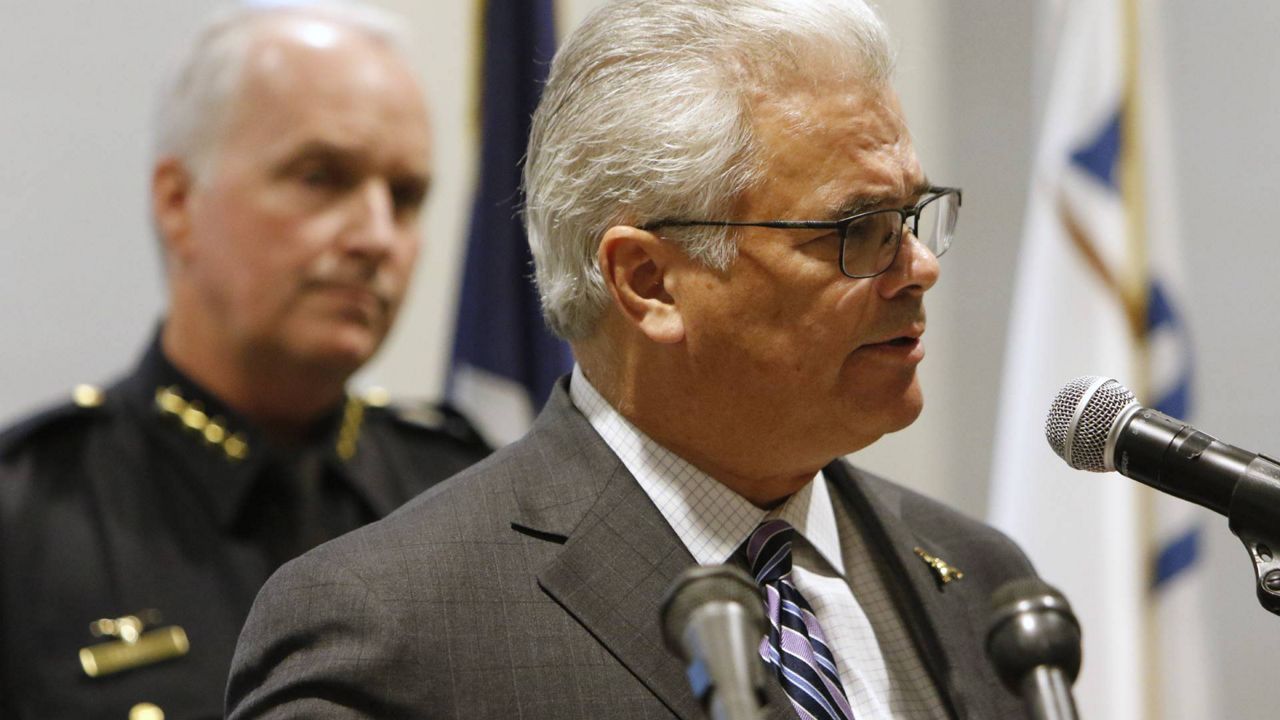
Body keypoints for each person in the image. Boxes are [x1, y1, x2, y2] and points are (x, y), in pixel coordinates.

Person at [227, 1, 1039, 718]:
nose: (919, 267)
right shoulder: (390, 630)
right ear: (650, 282)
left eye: (913, 215)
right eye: (859, 229)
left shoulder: (982, 582)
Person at [0, 4, 489, 718]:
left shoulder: (463, 497)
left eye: (406, 196)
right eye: (322, 176)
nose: (377, 236)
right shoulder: (27, 521)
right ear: (177, 203)